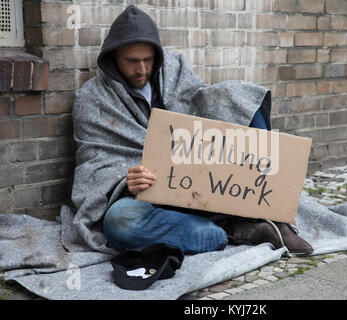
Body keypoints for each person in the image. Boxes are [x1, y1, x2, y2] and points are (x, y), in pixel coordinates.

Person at [72, 5, 313, 256]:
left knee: (241, 98)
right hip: (153, 202)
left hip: (206, 184)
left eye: (148, 60)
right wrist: (125, 182)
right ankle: (226, 232)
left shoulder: (175, 71)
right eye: (132, 61)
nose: (142, 69)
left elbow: (203, 108)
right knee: (119, 222)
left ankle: (271, 217)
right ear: (113, 57)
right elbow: (95, 167)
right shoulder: (92, 99)